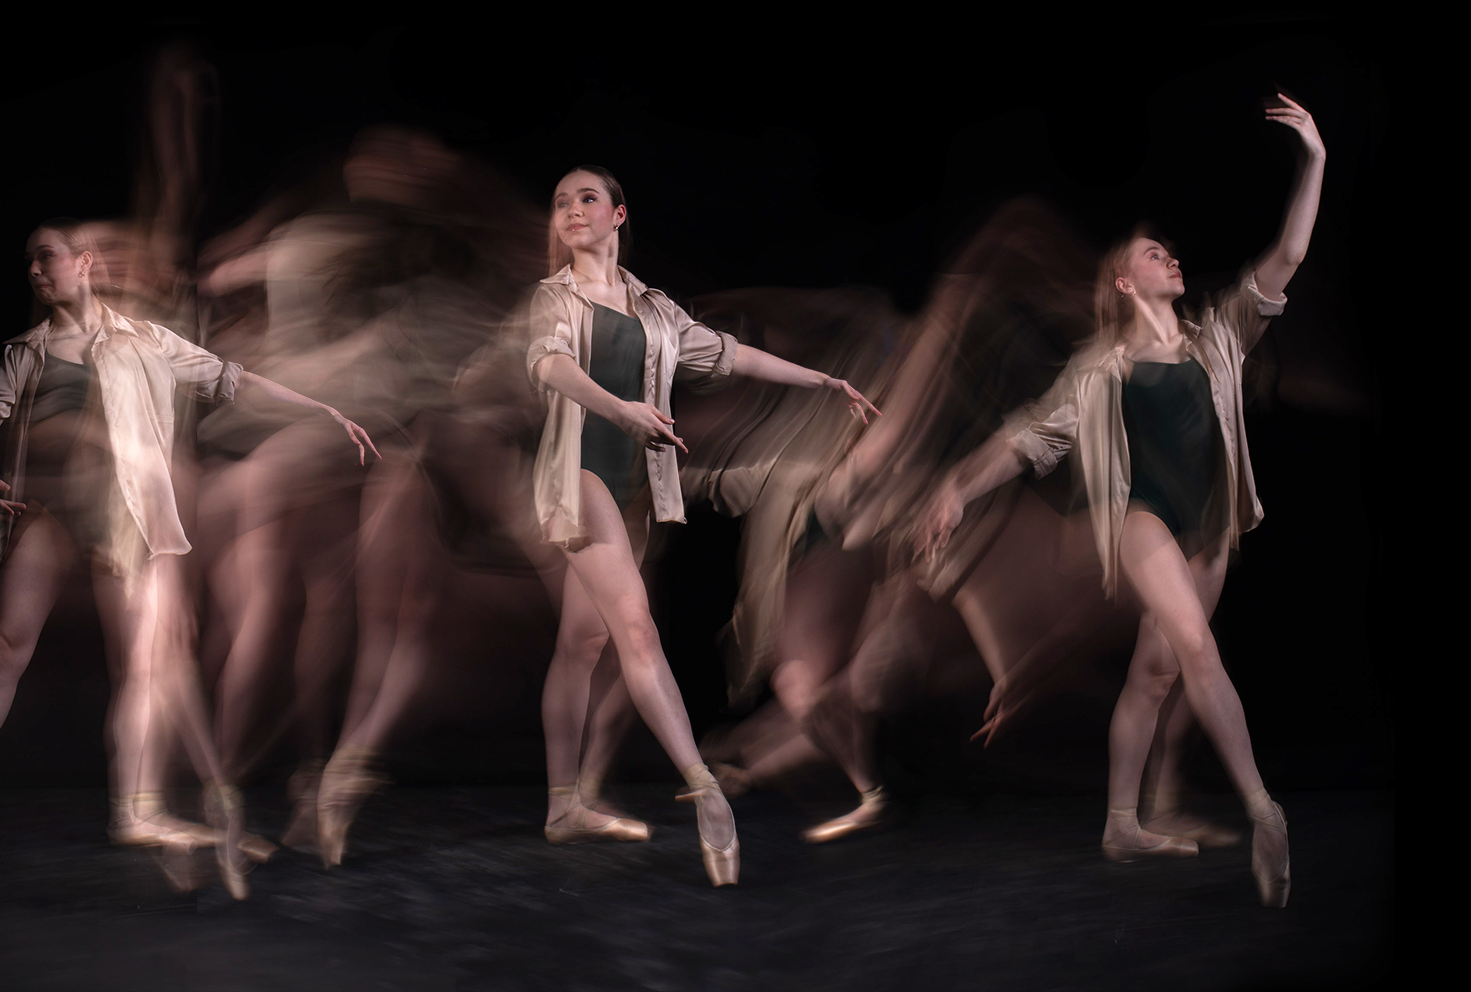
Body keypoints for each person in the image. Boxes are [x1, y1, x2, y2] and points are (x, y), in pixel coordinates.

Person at [0, 220, 376, 898]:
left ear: (82, 264)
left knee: (154, 663)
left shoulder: (145, 339)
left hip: (124, 519)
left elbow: (231, 379)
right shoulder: (27, 350)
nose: (36, 270)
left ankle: (172, 811)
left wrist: (322, 409)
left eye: (47, 256)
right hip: (53, 516)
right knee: (6, 651)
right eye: (28, 260)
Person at [916, 95, 1324, 908]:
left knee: (1153, 676)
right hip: (1145, 521)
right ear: (1123, 278)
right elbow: (1028, 438)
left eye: (1171, 252)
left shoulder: (1221, 335)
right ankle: (1263, 809)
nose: (1170, 258)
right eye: (1153, 252)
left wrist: (1315, 159)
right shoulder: (1097, 371)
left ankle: (1120, 824)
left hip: (1209, 529)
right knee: (1198, 651)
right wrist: (958, 485)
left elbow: (1289, 252)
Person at [527, 166, 880, 886]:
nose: (571, 210)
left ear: (619, 215)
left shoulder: (654, 309)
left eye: (586, 198)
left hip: (632, 486)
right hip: (581, 478)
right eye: (561, 201)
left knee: (582, 639)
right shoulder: (554, 298)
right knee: (635, 630)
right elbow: (549, 365)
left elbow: (730, 352)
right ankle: (705, 792)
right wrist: (621, 410)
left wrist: (822, 380)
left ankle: (564, 804)